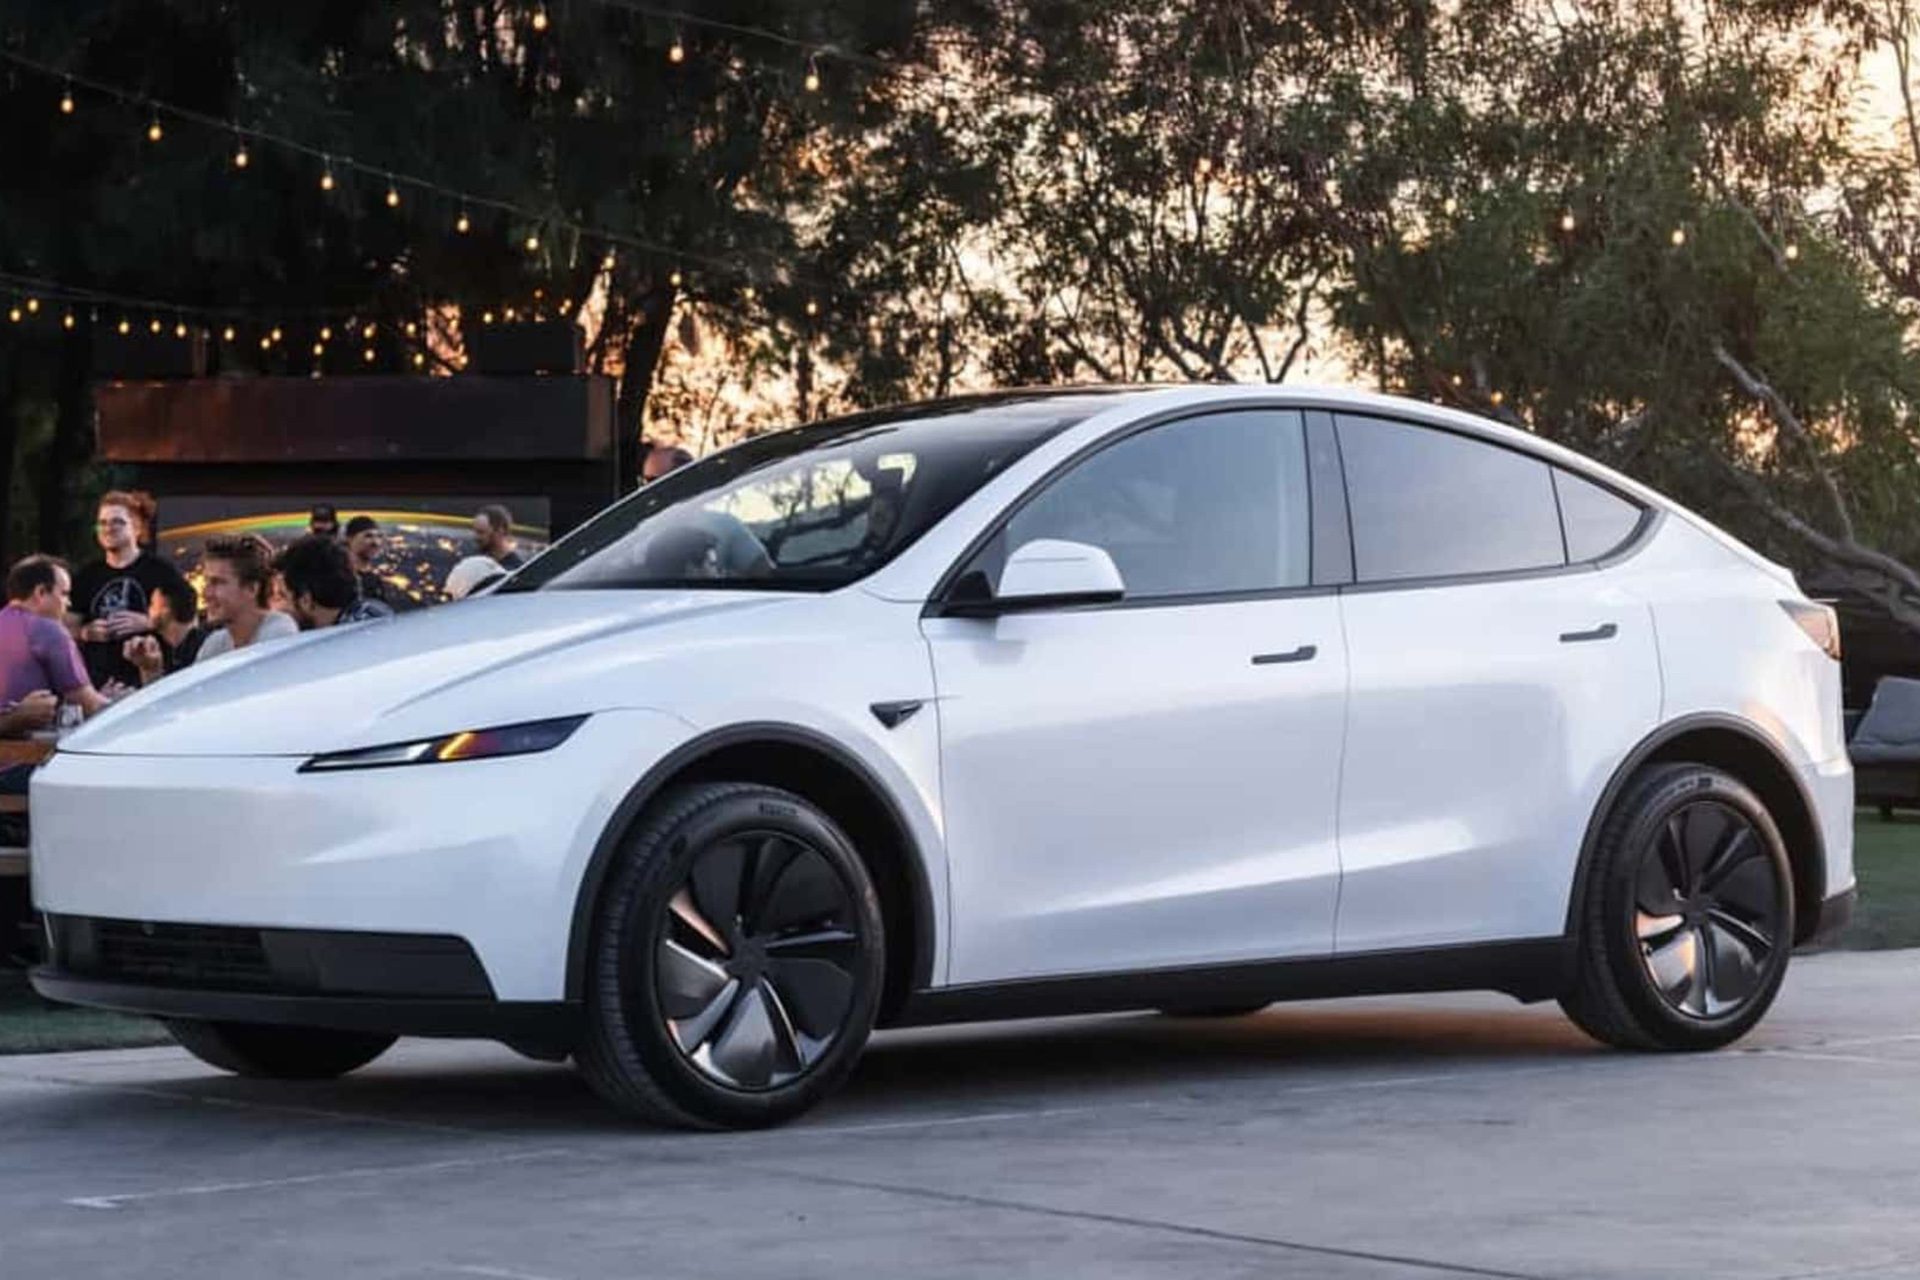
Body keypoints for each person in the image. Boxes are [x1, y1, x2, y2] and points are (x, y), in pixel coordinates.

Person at [69, 490, 192, 692]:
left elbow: (187, 622)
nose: (109, 528)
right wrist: (85, 632)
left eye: (118, 522)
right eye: (103, 522)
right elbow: (64, 629)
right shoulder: (87, 576)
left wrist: (150, 622)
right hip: (99, 688)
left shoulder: (161, 571)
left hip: (149, 685)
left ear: (137, 528)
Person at [3, 556, 115, 723]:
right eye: (64, 594)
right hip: (31, 745)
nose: (68, 603)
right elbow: (88, 706)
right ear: (40, 592)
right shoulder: (49, 630)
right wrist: (122, 704)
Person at [193, 534, 299, 663]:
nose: (206, 594)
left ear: (252, 589)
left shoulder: (279, 634)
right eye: (207, 582)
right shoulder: (214, 645)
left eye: (217, 582)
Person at [275, 535, 395, 629]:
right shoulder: (376, 618)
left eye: (282, 596)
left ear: (306, 600)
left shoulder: (353, 644)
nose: (276, 608)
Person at [123, 577, 206, 685]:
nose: (148, 610)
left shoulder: (201, 648)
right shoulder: (168, 650)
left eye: (153, 604)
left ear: (166, 611)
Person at [343, 515, 408, 611]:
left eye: (379, 536)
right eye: (368, 536)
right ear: (350, 538)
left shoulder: (375, 580)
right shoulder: (339, 576)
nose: (376, 542)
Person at [473, 504, 524, 570]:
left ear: (500, 530)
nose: (476, 537)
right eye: (475, 532)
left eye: (481, 532)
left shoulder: (516, 571)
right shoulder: (474, 561)